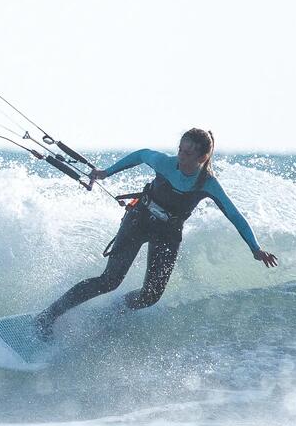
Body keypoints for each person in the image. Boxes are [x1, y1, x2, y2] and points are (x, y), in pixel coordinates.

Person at [33, 128, 278, 338]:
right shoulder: (165, 163)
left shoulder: (208, 184)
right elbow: (141, 154)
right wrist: (106, 172)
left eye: (188, 153)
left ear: (203, 157)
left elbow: (235, 216)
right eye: (180, 149)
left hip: (169, 233)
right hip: (139, 219)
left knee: (150, 296)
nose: (180, 156)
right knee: (110, 280)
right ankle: (48, 316)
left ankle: (110, 314)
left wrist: (255, 249)